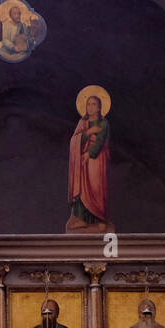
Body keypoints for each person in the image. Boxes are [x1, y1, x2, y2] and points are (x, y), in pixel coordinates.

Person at [67, 93, 112, 231]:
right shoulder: (82, 123)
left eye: (94, 105)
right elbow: (74, 141)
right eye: (88, 104)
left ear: (99, 108)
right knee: (81, 188)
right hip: (82, 161)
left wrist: (89, 153)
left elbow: (101, 140)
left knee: (97, 187)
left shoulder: (103, 123)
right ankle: (81, 219)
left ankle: (100, 218)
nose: (90, 107)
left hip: (97, 159)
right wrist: (89, 132)